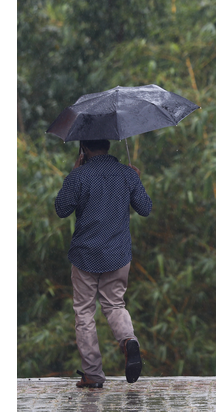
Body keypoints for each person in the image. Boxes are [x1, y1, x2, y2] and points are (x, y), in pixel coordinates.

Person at [54, 139, 152, 388]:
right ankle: (128, 340)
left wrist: (73, 175)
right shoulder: (126, 174)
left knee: (85, 313)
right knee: (114, 304)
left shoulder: (80, 176)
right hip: (118, 254)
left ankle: (93, 375)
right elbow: (145, 208)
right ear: (108, 145)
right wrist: (136, 180)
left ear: (84, 149)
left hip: (85, 256)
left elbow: (61, 208)